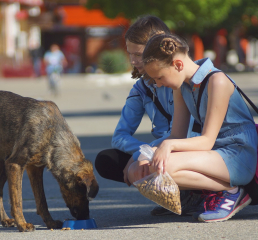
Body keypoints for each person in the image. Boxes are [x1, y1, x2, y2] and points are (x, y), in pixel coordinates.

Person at [127, 33, 257, 222]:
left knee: (164, 168)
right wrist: (144, 154)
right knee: (137, 169)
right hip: (215, 154)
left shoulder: (217, 81)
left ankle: (231, 191)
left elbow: (206, 141)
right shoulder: (182, 86)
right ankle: (203, 194)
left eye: (160, 77)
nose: (158, 84)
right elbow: (177, 135)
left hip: (238, 153)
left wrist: (167, 147)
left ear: (178, 65)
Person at [94, 15, 203, 216]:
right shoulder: (141, 88)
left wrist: (145, 155)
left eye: (138, 53)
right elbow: (119, 137)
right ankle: (179, 195)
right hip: (163, 152)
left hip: (197, 148)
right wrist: (143, 154)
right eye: (130, 54)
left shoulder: (185, 79)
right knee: (105, 160)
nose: (133, 60)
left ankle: (203, 193)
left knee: (153, 161)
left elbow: (188, 135)